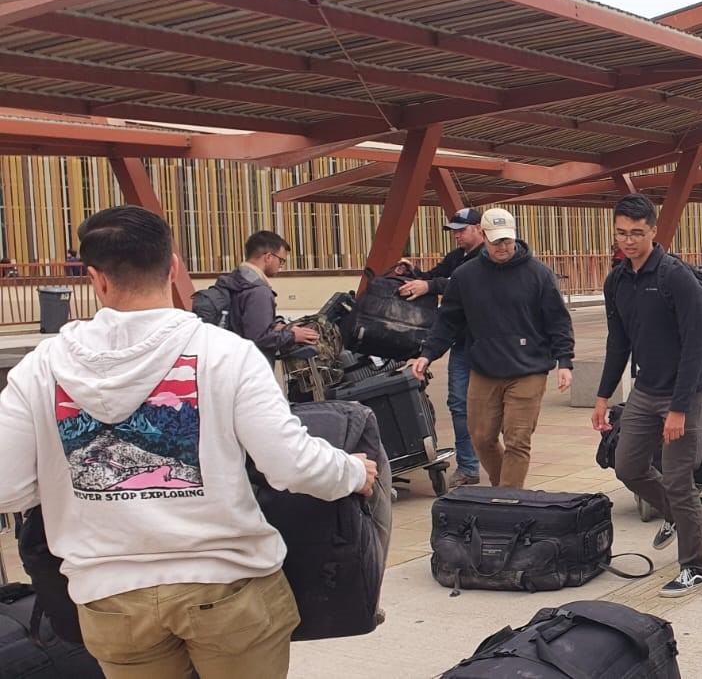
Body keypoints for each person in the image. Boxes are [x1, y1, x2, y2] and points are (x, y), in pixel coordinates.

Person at [0, 205, 377, 679]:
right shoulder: (226, 353)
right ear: (173, 265)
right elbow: (291, 465)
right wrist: (351, 471)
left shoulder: (40, 368)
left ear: (95, 279)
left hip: (111, 599)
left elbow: (7, 487)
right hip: (228, 589)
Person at [592, 194, 702, 598]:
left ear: (654, 231)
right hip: (647, 389)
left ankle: (695, 567)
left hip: (687, 390)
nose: (628, 241)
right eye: (621, 233)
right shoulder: (617, 281)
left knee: (679, 479)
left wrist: (679, 409)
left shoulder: (676, 277)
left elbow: (695, 346)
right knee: (627, 465)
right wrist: (602, 397)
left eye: (636, 233)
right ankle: (675, 514)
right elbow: (618, 343)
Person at [413, 208, 574, 490]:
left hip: (529, 368)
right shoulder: (465, 276)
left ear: (515, 236)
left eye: (507, 240)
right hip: (485, 368)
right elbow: (448, 321)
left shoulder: (539, 274)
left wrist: (565, 361)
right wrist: (427, 354)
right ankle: (504, 490)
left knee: (517, 440)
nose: (502, 247)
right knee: (481, 437)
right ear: (484, 236)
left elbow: (558, 320)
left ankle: (508, 499)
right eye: (496, 241)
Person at [395, 208, 486, 488]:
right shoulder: (457, 258)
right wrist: (414, 274)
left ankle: (497, 457)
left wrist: (429, 284)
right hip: (461, 344)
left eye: (462, 229)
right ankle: (468, 466)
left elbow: (464, 283)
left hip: (491, 346)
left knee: (495, 408)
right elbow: (435, 278)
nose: (457, 235)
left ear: (479, 228)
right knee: (459, 404)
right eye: (454, 231)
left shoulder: (488, 257)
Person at [212, 231, 319, 359]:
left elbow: (244, 324)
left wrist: (283, 328)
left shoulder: (236, 280)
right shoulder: (258, 291)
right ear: (268, 257)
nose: (280, 267)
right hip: (252, 365)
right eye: (281, 261)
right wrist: (294, 336)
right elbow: (259, 338)